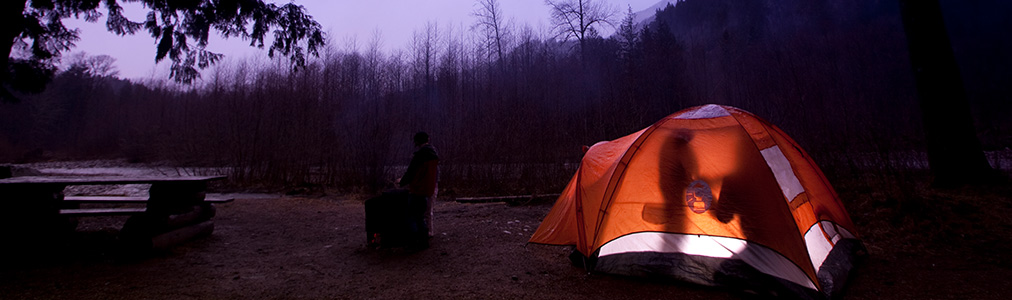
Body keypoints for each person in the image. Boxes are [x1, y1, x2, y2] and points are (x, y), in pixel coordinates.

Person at [399, 131, 439, 237]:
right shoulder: (434, 154)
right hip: (433, 184)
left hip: (420, 188)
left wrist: (402, 182)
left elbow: (411, 172)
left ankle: (419, 236)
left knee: (414, 214)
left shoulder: (419, 156)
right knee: (428, 210)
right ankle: (428, 232)